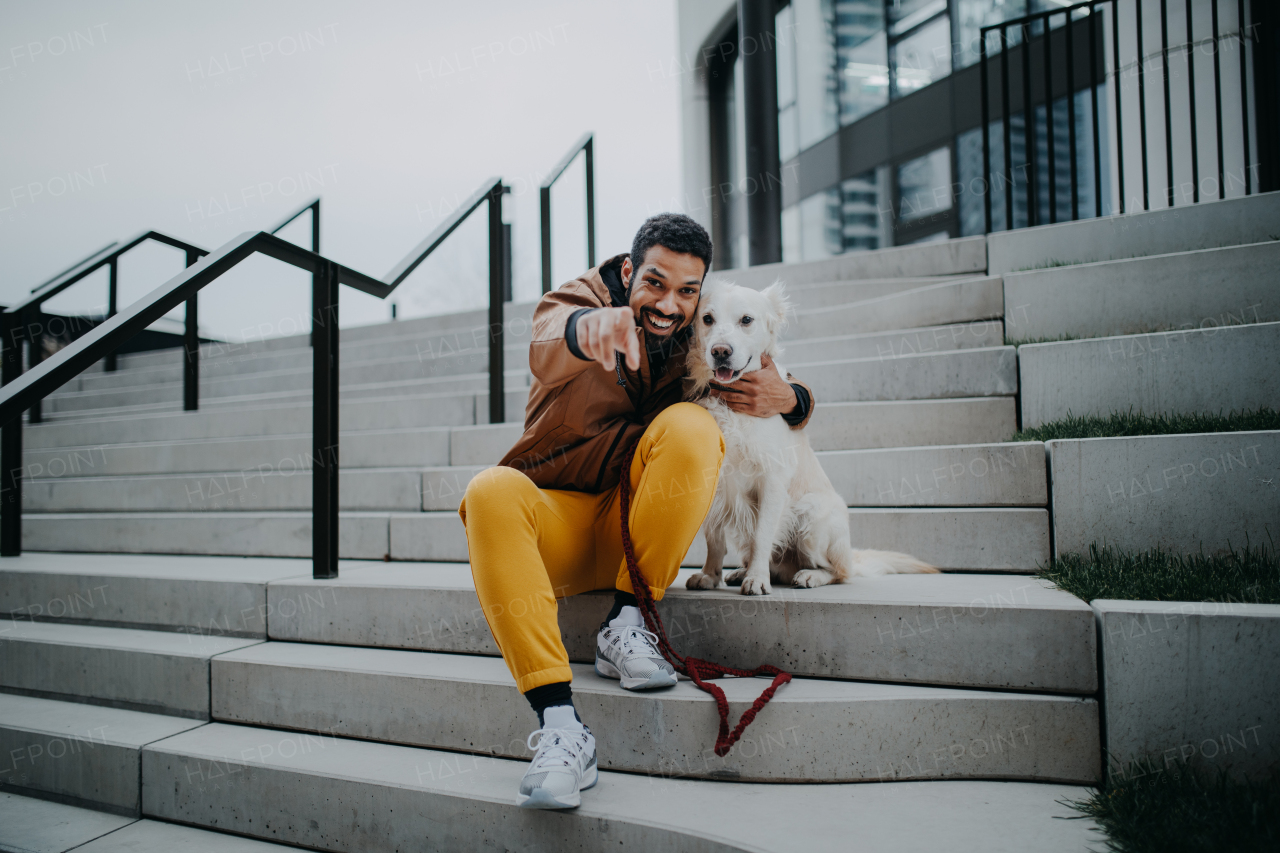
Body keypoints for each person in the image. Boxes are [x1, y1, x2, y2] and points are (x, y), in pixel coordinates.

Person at [459, 213, 815, 809]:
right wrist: (590, 329)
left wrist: (796, 398)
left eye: (687, 292)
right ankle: (561, 729)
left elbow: (763, 362)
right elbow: (548, 340)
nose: (669, 305)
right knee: (488, 490)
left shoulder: (696, 334)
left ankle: (626, 624)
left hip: (637, 533)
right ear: (628, 272)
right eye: (655, 282)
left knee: (694, 426)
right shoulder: (576, 301)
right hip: (563, 525)